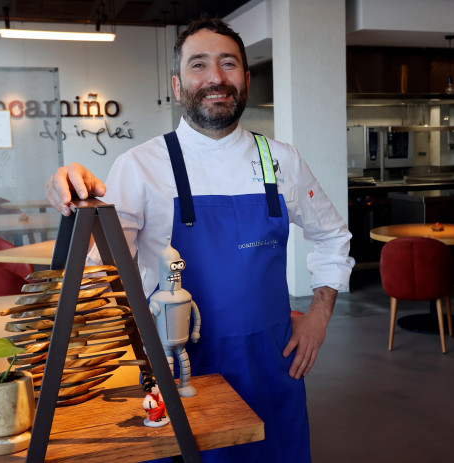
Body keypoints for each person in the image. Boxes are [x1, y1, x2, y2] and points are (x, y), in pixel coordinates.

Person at [45, 15, 354, 463]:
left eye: (228, 64)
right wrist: (74, 199)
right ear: (176, 84)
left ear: (245, 79)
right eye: (199, 65)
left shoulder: (282, 160)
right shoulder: (140, 165)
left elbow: (332, 236)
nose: (216, 78)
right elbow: (102, 269)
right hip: (179, 370)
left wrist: (321, 315)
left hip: (272, 367)